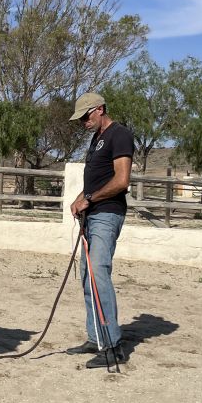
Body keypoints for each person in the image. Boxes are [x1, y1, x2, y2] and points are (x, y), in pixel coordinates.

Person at [66, 92, 133, 369]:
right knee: (86, 276)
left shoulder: (120, 135)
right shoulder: (97, 139)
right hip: (92, 214)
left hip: (107, 215)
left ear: (100, 109)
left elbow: (121, 181)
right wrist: (80, 197)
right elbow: (97, 180)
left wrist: (90, 199)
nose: (83, 122)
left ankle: (113, 345)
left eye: (86, 116)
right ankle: (96, 338)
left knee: (98, 272)